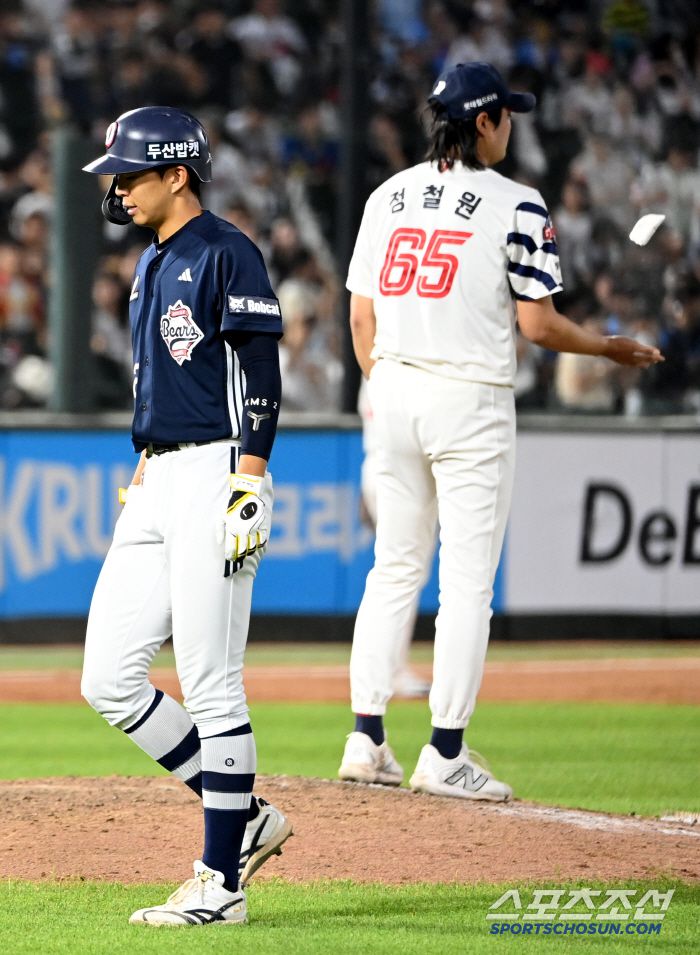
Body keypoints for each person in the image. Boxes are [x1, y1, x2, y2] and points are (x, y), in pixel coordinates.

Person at [338, 63, 663, 801]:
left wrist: (384, 386)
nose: (511, 126)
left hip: (390, 388)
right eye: (506, 116)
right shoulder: (516, 202)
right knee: (466, 585)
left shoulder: (386, 195)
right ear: (484, 122)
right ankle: (445, 751)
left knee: (392, 569)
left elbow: (361, 317)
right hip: (470, 398)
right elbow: (538, 324)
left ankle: (366, 738)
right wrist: (611, 346)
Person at [80, 106, 291, 926]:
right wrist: (144, 471)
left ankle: (220, 882)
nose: (120, 189)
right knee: (107, 675)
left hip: (214, 471)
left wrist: (251, 479)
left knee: (210, 680)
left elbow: (259, 375)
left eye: (132, 174)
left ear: (177, 174)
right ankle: (246, 814)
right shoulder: (153, 261)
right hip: (158, 476)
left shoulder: (225, 251)